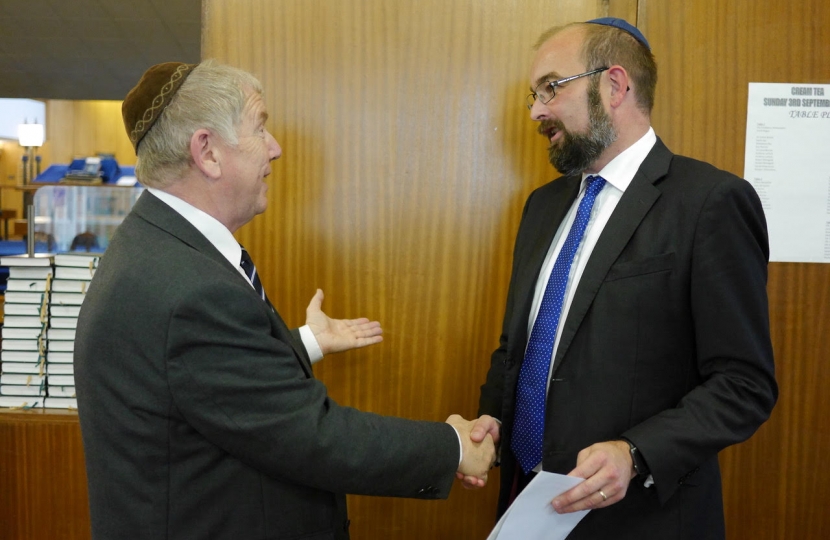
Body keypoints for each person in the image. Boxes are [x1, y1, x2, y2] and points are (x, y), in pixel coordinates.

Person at [74, 60, 494, 540]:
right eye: (260, 128)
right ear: (207, 152)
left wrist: (304, 342)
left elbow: (203, 382)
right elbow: (312, 435)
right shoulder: (191, 288)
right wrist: (454, 446)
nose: (275, 149)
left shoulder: (157, 246)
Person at [464, 18, 777, 539]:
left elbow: (744, 384)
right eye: (533, 95)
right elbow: (516, 348)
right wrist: (491, 421)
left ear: (613, 85)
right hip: (526, 511)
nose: (537, 111)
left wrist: (636, 454)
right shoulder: (542, 207)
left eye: (550, 88)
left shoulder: (709, 203)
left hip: (642, 521)